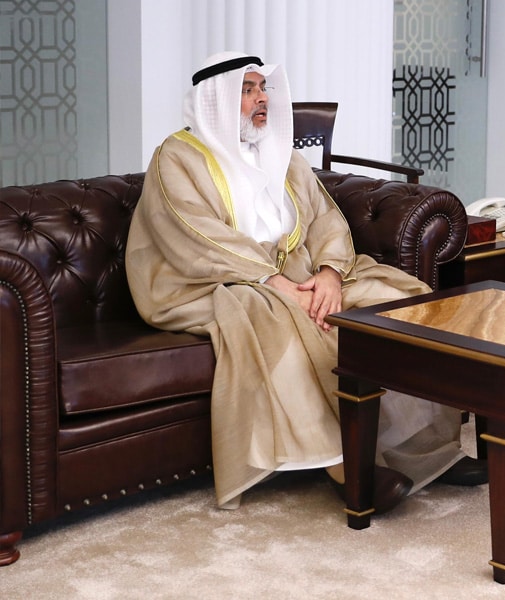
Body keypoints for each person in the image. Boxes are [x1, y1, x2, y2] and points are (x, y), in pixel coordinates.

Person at [126, 51, 485, 513]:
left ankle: (427, 448)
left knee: (398, 299)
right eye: (248, 90)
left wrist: (330, 274)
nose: (262, 99)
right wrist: (274, 282)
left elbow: (323, 219)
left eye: (263, 89)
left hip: (299, 274)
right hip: (216, 280)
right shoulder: (176, 157)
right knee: (288, 320)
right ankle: (347, 468)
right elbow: (194, 235)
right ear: (215, 100)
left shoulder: (281, 153)